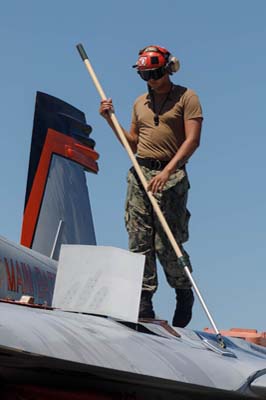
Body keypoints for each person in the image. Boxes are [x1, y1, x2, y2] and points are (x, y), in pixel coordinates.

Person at [99, 45, 203, 327]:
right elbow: (132, 143)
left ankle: (183, 291)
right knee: (139, 239)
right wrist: (111, 120)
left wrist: (167, 172)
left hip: (172, 175)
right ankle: (144, 300)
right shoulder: (139, 102)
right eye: (145, 74)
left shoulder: (187, 97)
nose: (151, 80)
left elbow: (192, 141)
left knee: (167, 242)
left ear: (167, 70)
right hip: (140, 173)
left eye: (154, 73)